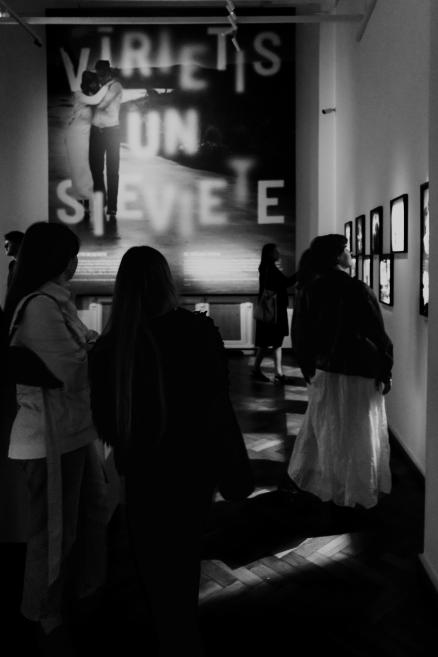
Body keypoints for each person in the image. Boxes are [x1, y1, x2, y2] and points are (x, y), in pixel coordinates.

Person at [88, 245, 254, 657]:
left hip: (143, 475)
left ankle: (171, 636)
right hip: (194, 473)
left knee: (152, 569)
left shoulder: (110, 349)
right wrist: (234, 469)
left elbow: (108, 426)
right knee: (183, 563)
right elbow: (218, 406)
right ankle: (182, 637)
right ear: (167, 281)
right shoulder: (198, 330)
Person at [4, 222, 108, 646]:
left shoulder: (53, 301)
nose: (75, 262)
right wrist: (92, 350)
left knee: (84, 519)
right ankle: (45, 612)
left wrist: (89, 349)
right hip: (50, 438)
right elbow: (75, 368)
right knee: (53, 532)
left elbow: (83, 349)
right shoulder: (42, 306)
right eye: (70, 254)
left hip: (71, 432)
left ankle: (70, 599)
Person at [287, 234, 393, 509]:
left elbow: (299, 333)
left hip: (324, 368)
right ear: (337, 255)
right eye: (348, 249)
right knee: (358, 431)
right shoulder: (355, 288)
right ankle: (355, 490)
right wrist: (386, 368)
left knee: (329, 428)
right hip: (358, 369)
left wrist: (307, 366)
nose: (352, 254)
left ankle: (329, 484)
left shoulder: (307, 287)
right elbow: (377, 334)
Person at [65, 70, 111, 212]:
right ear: (87, 83)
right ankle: (82, 201)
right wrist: (108, 85)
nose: (95, 84)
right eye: (93, 82)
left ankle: (90, 201)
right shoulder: (79, 95)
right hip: (76, 136)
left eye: (96, 83)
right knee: (80, 169)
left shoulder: (91, 97)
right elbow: (96, 100)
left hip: (86, 136)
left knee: (87, 169)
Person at [252, 243, 297, 383]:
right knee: (274, 342)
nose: (279, 253)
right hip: (274, 312)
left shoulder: (265, 268)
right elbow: (286, 283)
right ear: (270, 253)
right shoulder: (270, 269)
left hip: (269, 312)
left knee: (268, 343)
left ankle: (271, 371)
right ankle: (275, 373)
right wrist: (301, 273)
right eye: (276, 251)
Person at [89, 60, 123, 220]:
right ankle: (101, 201)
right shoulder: (100, 87)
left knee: (112, 171)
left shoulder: (116, 86)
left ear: (109, 72)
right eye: (98, 74)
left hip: (112, 132)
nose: (100, 78)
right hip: (96, 131)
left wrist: (92, 92)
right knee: (95, 169)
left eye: (102, 75)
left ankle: (112, 207)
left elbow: (101, 104)